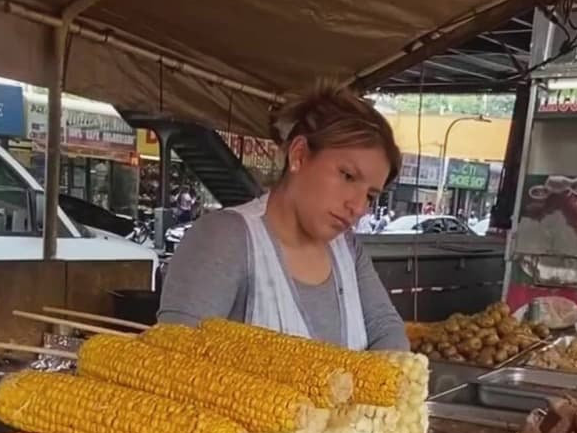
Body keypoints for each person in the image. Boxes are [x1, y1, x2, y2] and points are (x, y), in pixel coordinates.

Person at [158, 82, 408, 350]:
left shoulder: (348, 250)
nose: (358, 207)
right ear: (299, 155)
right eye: (347, 176)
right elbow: (176, 358)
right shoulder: (224, 238)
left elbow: (386, 329)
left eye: (370, 195)